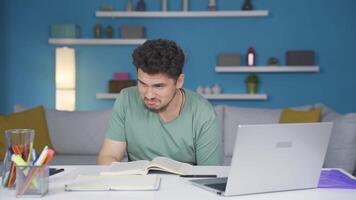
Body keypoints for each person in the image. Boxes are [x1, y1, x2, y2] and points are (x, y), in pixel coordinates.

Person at [97, 39, 222, 165]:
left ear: (179, 81)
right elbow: (108, 156)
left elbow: (210, 173)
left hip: (184, 184)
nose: (149, 95)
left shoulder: (202, 111)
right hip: (137, 183)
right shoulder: (126, 99)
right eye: (143, 84)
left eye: (159, 86)